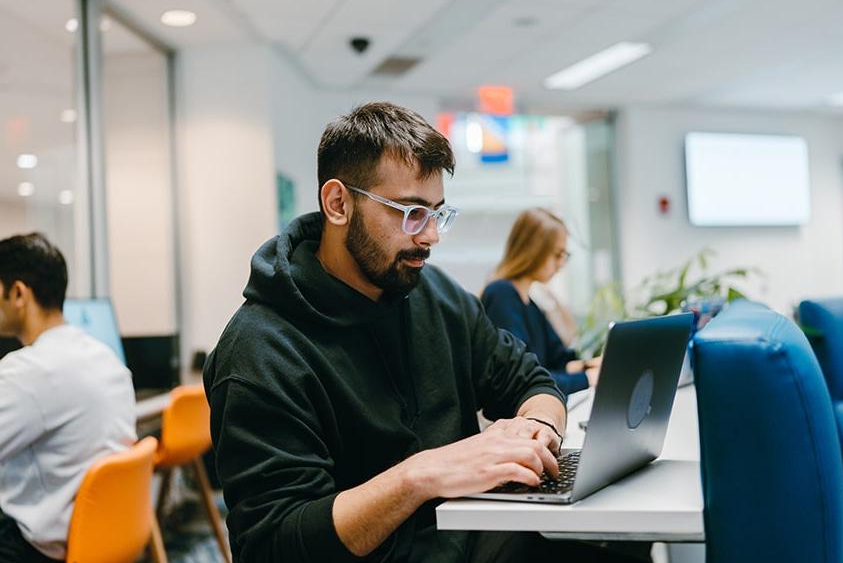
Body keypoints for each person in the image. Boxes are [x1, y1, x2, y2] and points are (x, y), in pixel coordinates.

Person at [204, 103, 646, 563]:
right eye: (411, 212)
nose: (431, 235)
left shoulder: (435, 294)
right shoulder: (260, 351)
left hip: (474, 539)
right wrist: (421, 476)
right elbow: (274, 545)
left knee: (623, 544)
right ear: (338, 204)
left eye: (438, 213)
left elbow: (533, 383)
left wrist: (536, 427)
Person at [0, 233, 136, 562]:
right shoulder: (106, 358)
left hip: (39, 551)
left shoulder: (26, 372)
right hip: (103, 536)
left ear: (18, 293)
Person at [482, 209, 601, 395]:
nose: (561, 264)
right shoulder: (501, 295)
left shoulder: (530, 304)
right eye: (557, 255)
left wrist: (589, 366)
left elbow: (559, 362)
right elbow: (523, 379)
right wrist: (588, 378)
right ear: (534, 252)